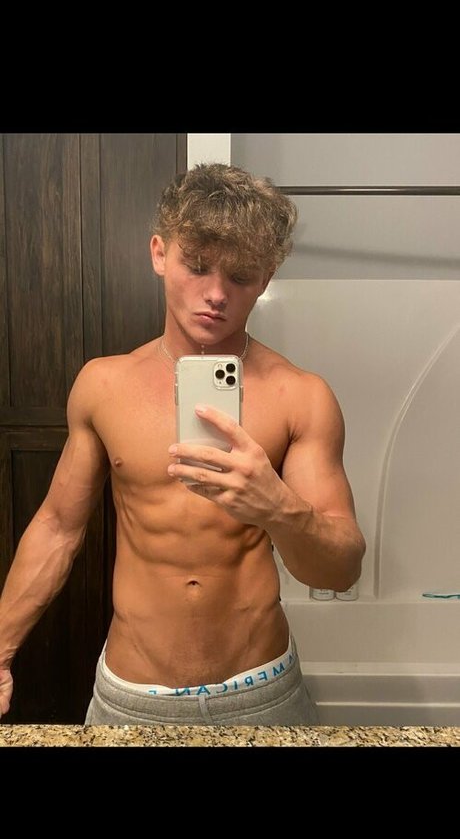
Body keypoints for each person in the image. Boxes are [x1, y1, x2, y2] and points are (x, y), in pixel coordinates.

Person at [0, 162, 365, 726]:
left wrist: (277, 508)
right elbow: (57, 528)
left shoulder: (301, 396)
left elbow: (339, 571)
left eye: (240, 275)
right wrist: (1, 650)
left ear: (265, 278)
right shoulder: (103, 385)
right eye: (196, 266)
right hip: (131, 696)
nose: (215, 294)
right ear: (159, 254)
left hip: (261, 692)